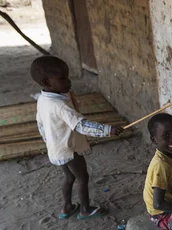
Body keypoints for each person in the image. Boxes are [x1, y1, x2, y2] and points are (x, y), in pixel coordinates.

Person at [30, 55, 123, 220]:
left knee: (69, 177)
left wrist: (49, 142)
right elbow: (81, 125)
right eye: (63, 78)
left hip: (57, 149)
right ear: (47, 82)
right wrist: (108, 130)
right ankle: (85, 209)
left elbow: (41, 124)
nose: (69, 81)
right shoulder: (60, 106)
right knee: (82, 177)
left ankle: (67, 207)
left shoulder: (42, 99)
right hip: (69, 150)